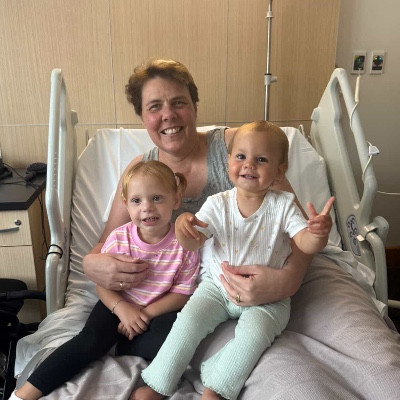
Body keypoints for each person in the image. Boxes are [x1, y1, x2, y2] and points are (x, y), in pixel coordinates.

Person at [81, 59, 314, 362]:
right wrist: (90, 263)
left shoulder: (240, 149)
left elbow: (300, 229)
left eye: (179, 102)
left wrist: (287, 281)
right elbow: (106, 241)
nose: (168, 115)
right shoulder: (140, 171)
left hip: (262, 290)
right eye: (154, 107)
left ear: (194, 107)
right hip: (194, 298)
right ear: (142, 117)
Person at [132, 121, 334, 400]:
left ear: (279, 170)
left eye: (261, 160)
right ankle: (159, 382)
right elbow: (194, 241)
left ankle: (216, 387)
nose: (249, 165)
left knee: (254, 337)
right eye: (241, 156)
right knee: (187, 324)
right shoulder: (218, 203)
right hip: (216, 287)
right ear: (228, 162)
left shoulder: (284, 205)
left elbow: (305, 244)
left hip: (267, 298)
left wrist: (317, 234)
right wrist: (182, 228)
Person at [10, 160, 200, 400]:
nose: (147, 208)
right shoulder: (119, 238)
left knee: (177, 341)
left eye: (157, 198)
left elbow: (182, 293)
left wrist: (144, 314)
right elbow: (102, 286)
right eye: (137, 200)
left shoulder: (184, 245)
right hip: (115, 304)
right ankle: (24, 394)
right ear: (125, 204)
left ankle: (120, 346)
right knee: (88, 341)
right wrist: (122, 309)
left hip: (158, 310)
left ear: (176, 199)